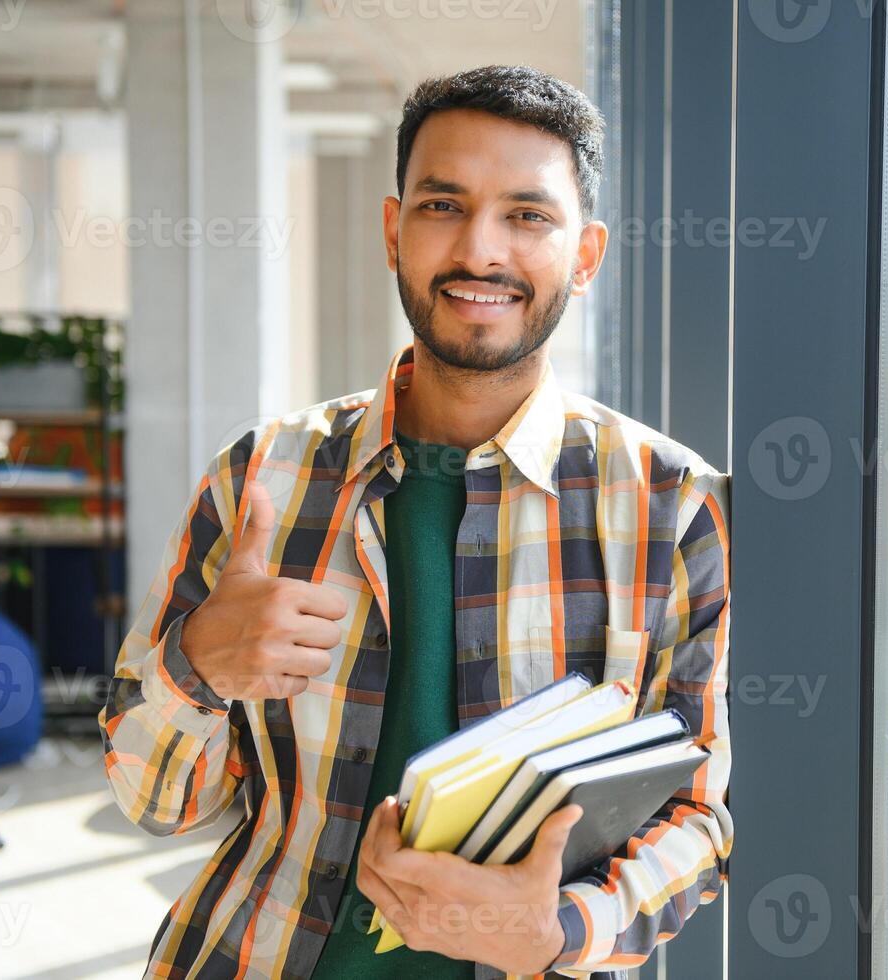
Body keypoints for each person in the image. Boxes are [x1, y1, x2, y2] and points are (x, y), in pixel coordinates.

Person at [98, 65, 732, 980]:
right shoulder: (261, 476)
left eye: (527, 215)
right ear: (395, 231)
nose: (480, 251)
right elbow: (154, 803)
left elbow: (698, 816)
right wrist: (195, 664)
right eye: (443, 206)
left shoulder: (670, 503)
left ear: (585, 255)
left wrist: (555, 929)